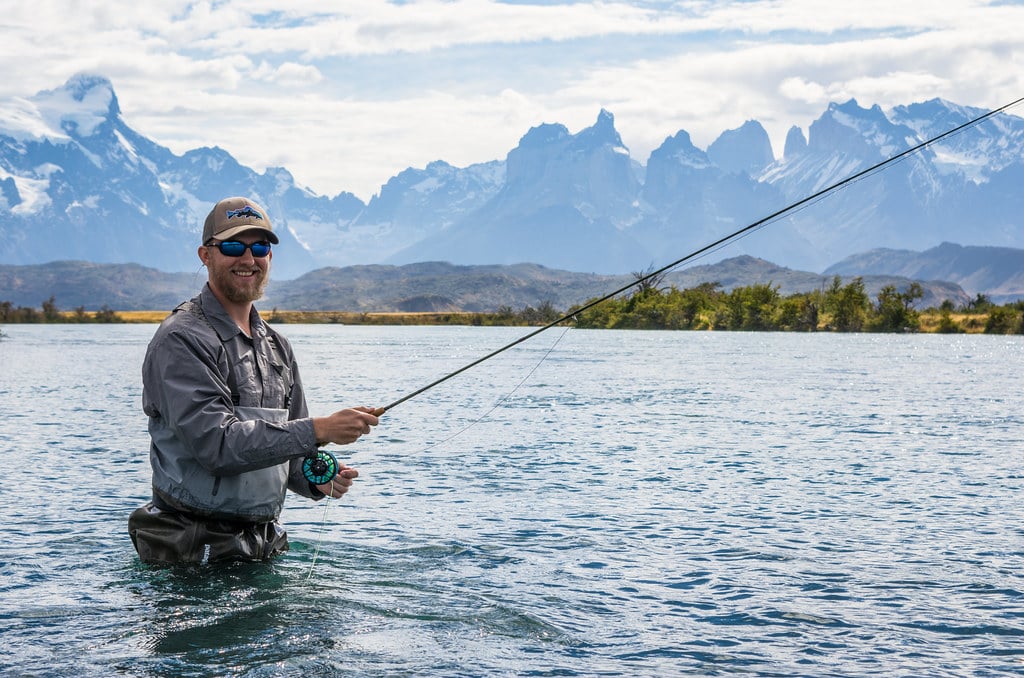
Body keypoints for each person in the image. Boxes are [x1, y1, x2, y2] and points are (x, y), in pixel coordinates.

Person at [128, 196, 380, 565]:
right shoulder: (181, 339)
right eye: (233, 247)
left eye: (259, 247)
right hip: (189, 551)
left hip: (263, 544)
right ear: (205, 255)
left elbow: (289, 451)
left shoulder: (278, 347)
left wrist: (315, 478)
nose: (248, 259)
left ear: (269, 257)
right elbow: (217, 445)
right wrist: (319, 429)